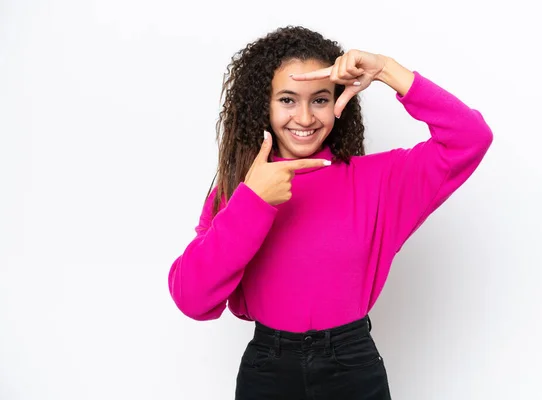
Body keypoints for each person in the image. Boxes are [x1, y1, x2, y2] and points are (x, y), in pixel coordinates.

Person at [168, 25, 493, 400]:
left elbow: (470, 137)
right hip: (267, 370)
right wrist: (252, 202)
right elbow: (191, 299)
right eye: (288, 100)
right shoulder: (239, 190)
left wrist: (387, 70)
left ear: (339, 102)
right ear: (264, 105)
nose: (305, 118)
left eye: (319, 100)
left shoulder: (378, 182)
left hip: (352, 367)